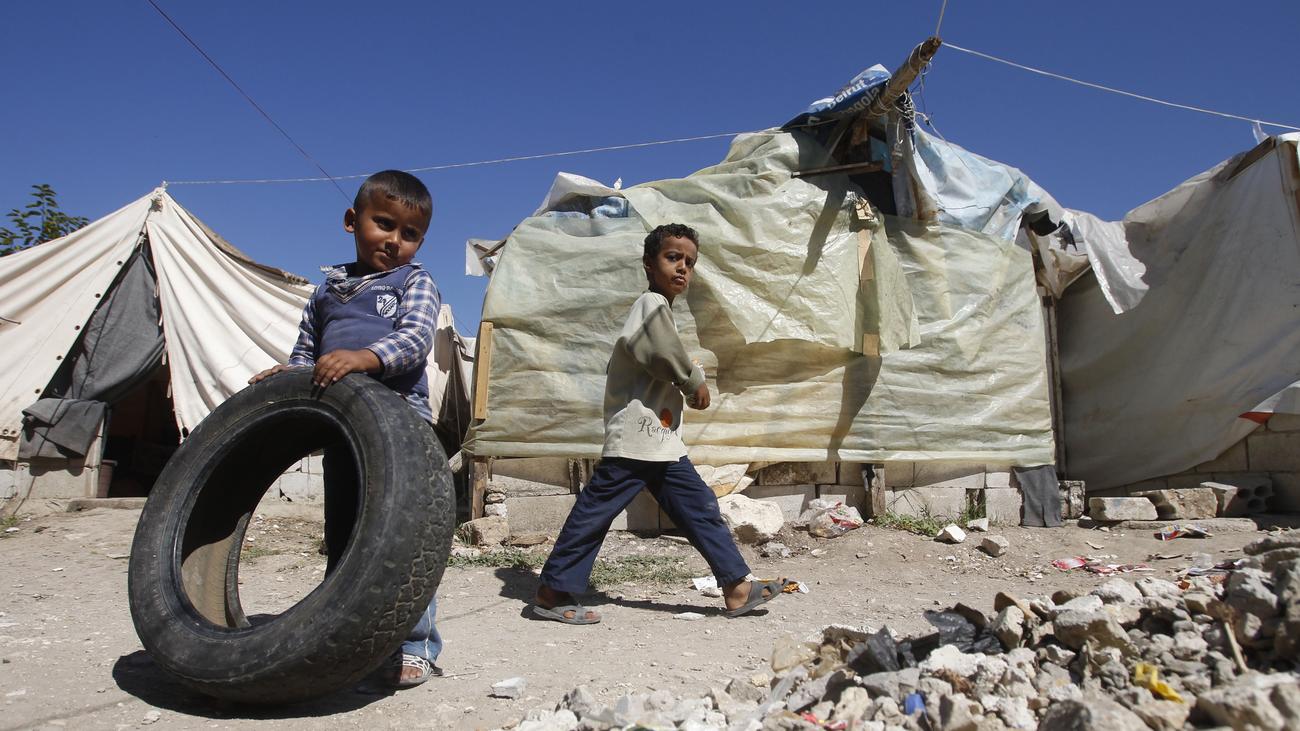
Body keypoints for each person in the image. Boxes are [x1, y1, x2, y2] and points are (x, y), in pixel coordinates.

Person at [533, 223, 787, 624]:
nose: (682, 267)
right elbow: (661, 352)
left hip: (660, 442)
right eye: (672, 258)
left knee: (699, 507)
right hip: (636, 440)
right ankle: (552, 593)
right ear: (649, 264)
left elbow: (660, 353)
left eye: (690, 262)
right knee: (596, 512)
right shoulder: (650, 305)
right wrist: (693, 381)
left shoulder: (659, 310)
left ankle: (737, 587)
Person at [249, 169, 444, 687]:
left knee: (406, 541)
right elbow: (307, 352)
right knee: (345, 537)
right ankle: (346, 638)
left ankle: (415, 643)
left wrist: (364, 357)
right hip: (345, 432)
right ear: (351, 221)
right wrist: (288, 376)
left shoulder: (414, 281)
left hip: (402, 429)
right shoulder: (327, 291)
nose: (395, 240)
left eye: (410, 233)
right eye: (384, 224)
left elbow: (415, 340)